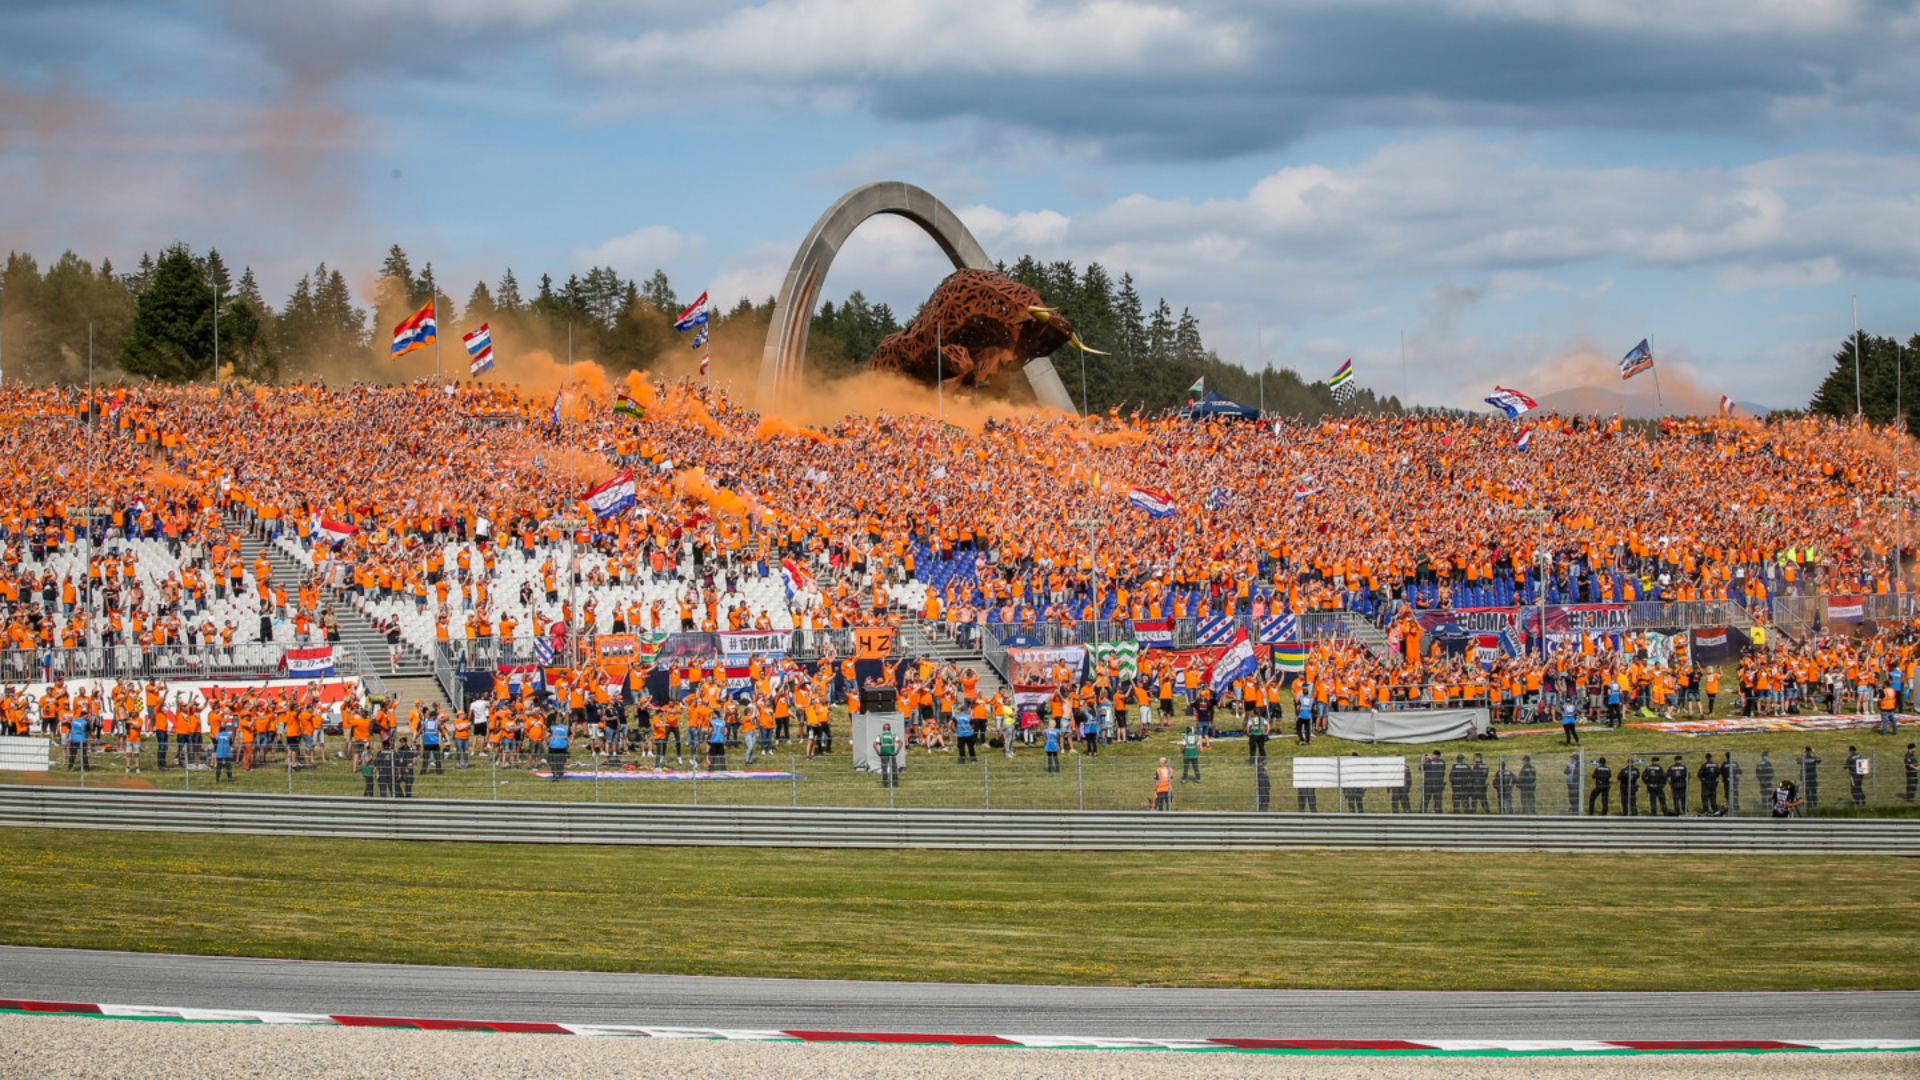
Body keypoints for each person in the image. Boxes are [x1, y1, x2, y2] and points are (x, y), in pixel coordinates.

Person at [874, 722, 900, 788]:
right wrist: (897, 751)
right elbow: (901, 742)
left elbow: (874, 744)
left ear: (883, 728)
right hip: (892, 753)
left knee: (884, 769)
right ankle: (895, 784)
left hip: (883, 754)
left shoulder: (880, 735)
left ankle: (885, 784)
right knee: (894, 769)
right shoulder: (893, 735)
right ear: (889, 728)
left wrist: (878, 752)